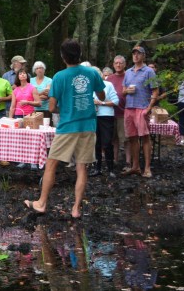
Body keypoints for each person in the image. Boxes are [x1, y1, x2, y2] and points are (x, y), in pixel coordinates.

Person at [24, 39, 105, 219]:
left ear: (63, 57)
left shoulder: (59, 77)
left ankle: (42, 203)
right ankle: (76, 208)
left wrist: (63, 101)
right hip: (88, 125)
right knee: (82, 167)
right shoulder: (92, 73)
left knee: (51, 163)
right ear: (80, 54)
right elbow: (102, 94)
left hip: (68, 125)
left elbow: (51, 108)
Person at [121, 46, 158, 178]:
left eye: (139, 53)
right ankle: (135, 166)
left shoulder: (149, 71)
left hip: (142, 108)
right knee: (132, 138)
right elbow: (123, 91)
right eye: (134, 53)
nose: (136, 56)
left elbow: (155, 91)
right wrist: (126, 91)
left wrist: (148, 108)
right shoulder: (128, 72)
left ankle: (147, 168)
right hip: (129, 108)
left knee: (145, 138)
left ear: (143, 56)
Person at [91, 66, 119, 177]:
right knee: (95, 143)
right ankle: (97, 168)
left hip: (106, 116)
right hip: (93, 116)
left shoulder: (108, 85)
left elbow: (116, 101)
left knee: (107, 143)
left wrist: (101, 103)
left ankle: (110, 169)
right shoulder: (88, 87)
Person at [106, 55, 128, 169]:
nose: (118, 65)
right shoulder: (109, 78)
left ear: (124, 64)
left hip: (124, 112)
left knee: (126, 139)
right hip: (110, 112)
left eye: (120, 63)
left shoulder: (128, 76)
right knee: (113, 139)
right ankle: (115, 160)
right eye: (116, 63)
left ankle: (128, 162)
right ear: (113, 65)